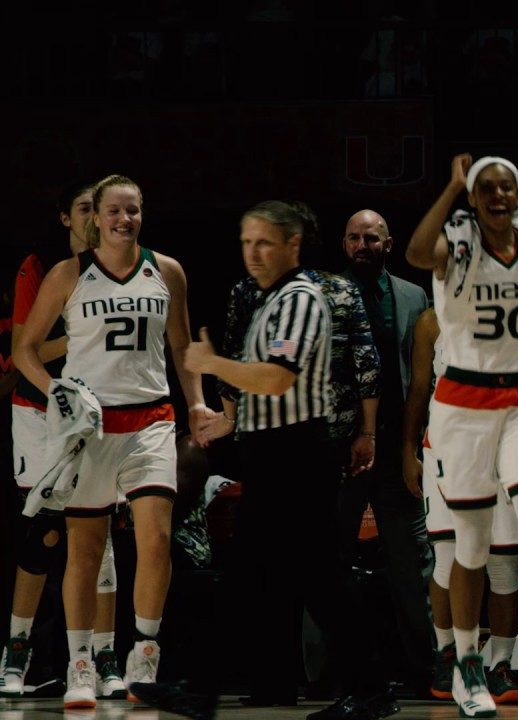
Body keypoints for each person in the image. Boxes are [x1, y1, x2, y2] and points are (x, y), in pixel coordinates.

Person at [131, 201, 398, 720]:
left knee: (314, 578)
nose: (253, 252)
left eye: (265, 242)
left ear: (292, 246)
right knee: (251, 577)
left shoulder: (300, 299)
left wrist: (212, 364)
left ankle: (370, 686)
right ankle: (202, 687)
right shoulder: (269, 300)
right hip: (275, 452)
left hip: (296, 453)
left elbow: (276, 378)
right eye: (246, 242)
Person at [405, 154, 518, 717]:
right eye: (485, 188)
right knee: (471, 546)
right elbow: (416, 252)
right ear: (472, 196)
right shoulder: (456, 243)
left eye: (506, 186)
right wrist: (450, 188)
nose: (497, 195)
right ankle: (467, 664)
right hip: (462, 405)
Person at [12, 175, 206, 710]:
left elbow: (182, 345)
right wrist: (58, 390)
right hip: (90, 427)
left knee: (156, 539)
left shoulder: (167, 271)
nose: (125, 219)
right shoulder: (67, 273)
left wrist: (197, 404)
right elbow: (25, 349)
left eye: (134, 210)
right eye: (115, 211)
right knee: (86, 550)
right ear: (94, 217)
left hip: (151, 422)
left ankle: (144, 653)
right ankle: (81, 663)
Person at [402, 306, 518, 706]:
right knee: (448, 557)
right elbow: (417, 388)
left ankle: (500, 664)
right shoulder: (433, 321)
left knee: (503, 563)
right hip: (446, 446)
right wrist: (406, 449)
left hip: (506, 445)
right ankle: (450, 656)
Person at [2, 182, 128, 702]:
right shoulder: (44, 269)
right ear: (70, 217)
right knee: (42, 534)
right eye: (83, 209)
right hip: (40, 412)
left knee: (99, 543)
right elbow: (23, 350)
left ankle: (104, 657)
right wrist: (82, 330)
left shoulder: (128, 267)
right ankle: (16, 652)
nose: (94, 218)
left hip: (97, 416)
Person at [335, 209, 434, 692]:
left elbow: (423, 374)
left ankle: (424, 667)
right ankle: (333, 670)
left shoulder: (414, 296)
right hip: (341, 448)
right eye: (354, 238)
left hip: (398, 443)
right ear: (343, 243)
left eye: (371, 238)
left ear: (389, 244)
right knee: (331, 560)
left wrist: (412, 446)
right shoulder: (328, 293)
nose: (362, 245)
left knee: (411, 562)